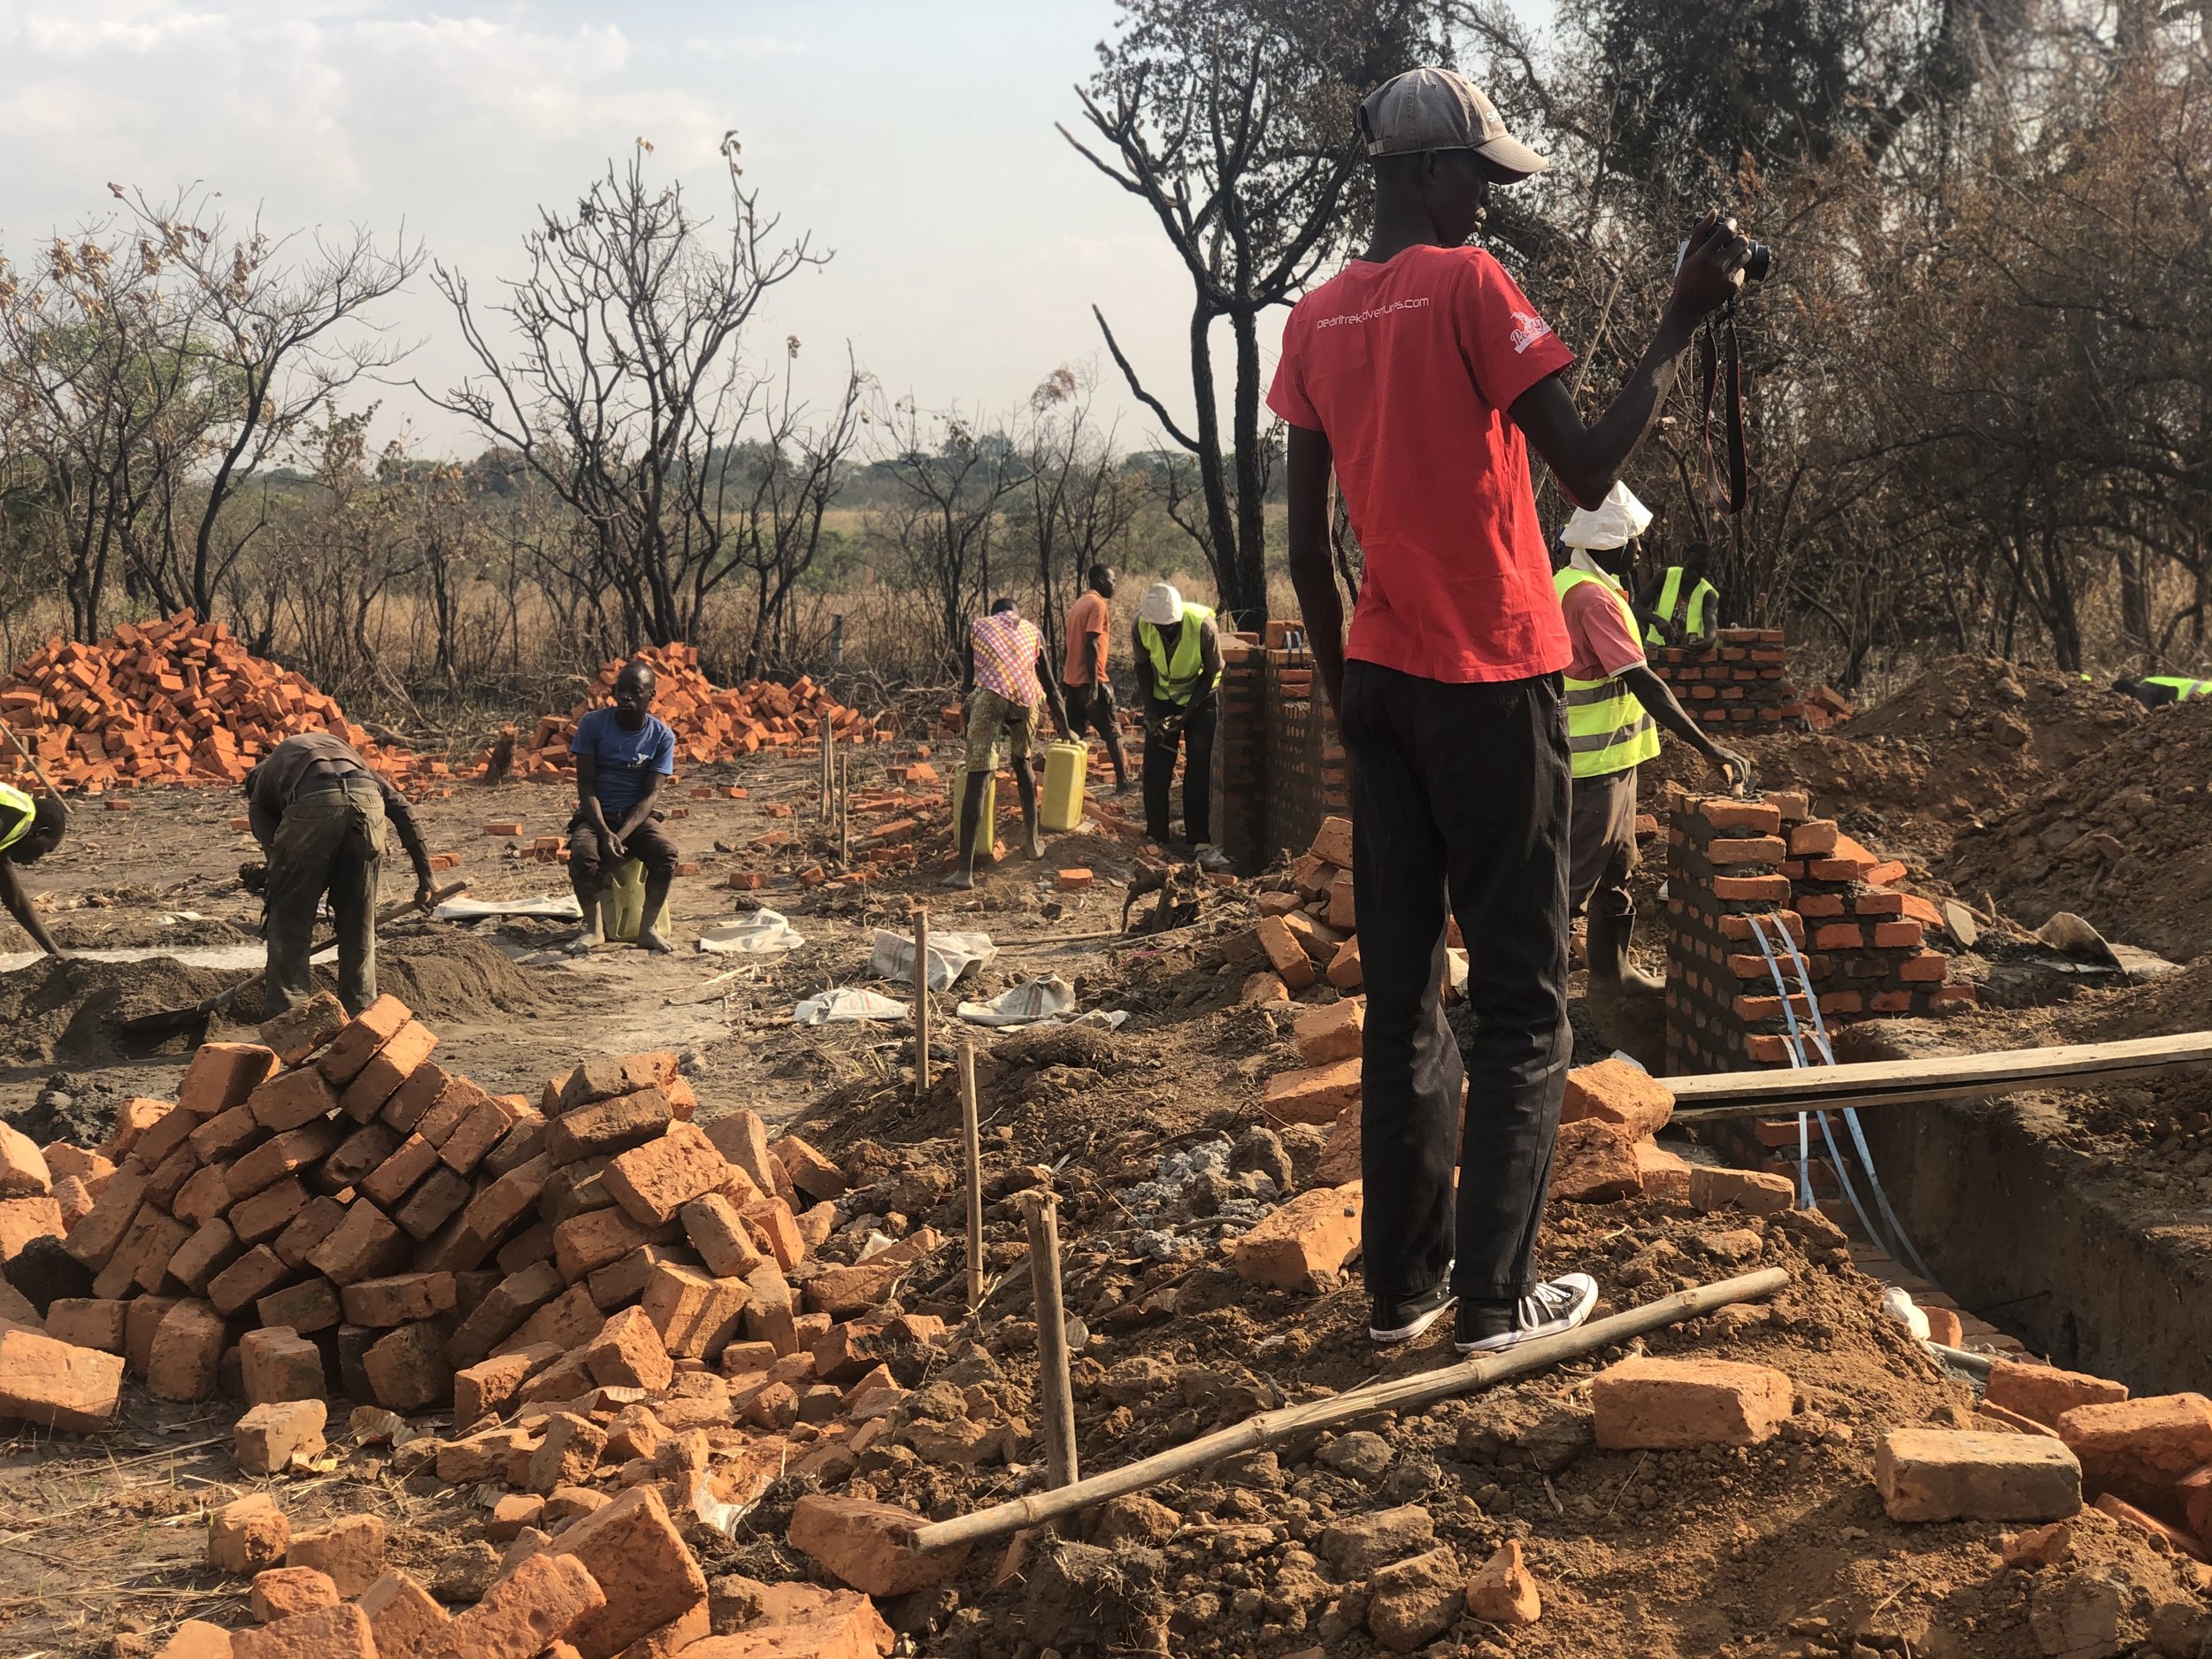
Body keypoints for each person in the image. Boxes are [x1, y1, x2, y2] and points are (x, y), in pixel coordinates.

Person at [1272, 65, 1752, 1355]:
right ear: (1427, 173)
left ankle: (1400, 1290)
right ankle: (1496, 1298)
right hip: (1490, 679)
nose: (1487, 204)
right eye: (1478, 180)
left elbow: (1310, 551)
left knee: (1405, 998)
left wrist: (1343, 686)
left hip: (1379, 681)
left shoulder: (1313, 320)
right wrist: (1678, 323)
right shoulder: (1470, 289)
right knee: (1529, 1000)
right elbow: (1588, 463)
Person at [1556, 486, 1748, 1012]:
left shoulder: (1588, 583)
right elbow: (1642, 682)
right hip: (1590, 767)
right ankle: (1533, 1002)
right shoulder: (1589, 596)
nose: (1641, 551)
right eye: (1634, 541)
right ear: (1610, 544)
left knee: (1618, 868)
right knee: (1570, 885)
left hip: (1614, 762)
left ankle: (1611, 977)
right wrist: (1710, 748)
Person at [246, 732, 435, 1016]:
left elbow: (282, 870)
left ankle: (291, 1016)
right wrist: (426, 879)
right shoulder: (345, 757)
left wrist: (269, 881)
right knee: (358, 916)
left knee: (289, 922)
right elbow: (403, 809)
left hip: (313, 803)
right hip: (368, 804)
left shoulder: (261, 796)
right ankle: (361, 1013)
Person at [947, 598, 1068, 890]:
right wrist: (1066, 728)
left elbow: (968, 682)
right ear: (1016, 613)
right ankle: (1033, 842)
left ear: (994, 614)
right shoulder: (1032, 631)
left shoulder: (978, 626)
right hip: (1028, 698)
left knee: (979, 775)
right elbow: (1050, 685)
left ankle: (965, 872)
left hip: (991, 695)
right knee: (1022, 761)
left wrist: (975, 715)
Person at [568, 659, 680, 954]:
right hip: (596, 815)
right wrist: (604, 832)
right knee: (583, 855)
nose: (626, 697)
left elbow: (650, 797)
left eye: (636, 691)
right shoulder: (593, 725)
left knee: (666, 854)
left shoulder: (661, 736)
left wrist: (623, 834)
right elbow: (586, 787)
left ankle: (647, 930)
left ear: (651, 696)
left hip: (636, 816)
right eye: (621, 690)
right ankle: (594, 931)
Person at [1132, 581, 1225, 866]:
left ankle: (1197, 838)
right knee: (1156, 766)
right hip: (1162, 700)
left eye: (1168, 627)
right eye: (1158, 627)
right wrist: (1149, 711)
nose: (1163, 631)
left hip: (1201, 698)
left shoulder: (1203, 626)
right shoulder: (1141, 625)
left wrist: (1186, 716)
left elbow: (1211, 671)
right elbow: (1142, 666)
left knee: (1198, 765)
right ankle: (1157, 835)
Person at [1061, 565, 1131, 793]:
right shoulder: (1097, 604)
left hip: (1072, 680)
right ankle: (1123, 783)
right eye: (1112, 580)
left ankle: (1067, 786)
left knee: (1074, 734)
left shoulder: (1078, 604)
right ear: (1101, 580)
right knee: (1112, 732)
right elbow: (1091, 643)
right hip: (1090, 680)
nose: (1116, 584)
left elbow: (1069, 646)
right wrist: (1095, 685)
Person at [0, 782, 67, 956]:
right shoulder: (13, 816)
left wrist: (55, 953)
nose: (35, 861)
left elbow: (15, 899)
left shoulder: (12, 825)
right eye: (46, 850)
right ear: (40, 832)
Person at [1638, 540, 1721, 650]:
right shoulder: (1665, 576)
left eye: (1700, 571)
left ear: (1707, 570)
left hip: (1688, 655)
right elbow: (1637, 606)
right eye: (1691, 567)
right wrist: (1656, 620)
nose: (1694, 574)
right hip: (1655, 649)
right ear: (1684, 559)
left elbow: (1711, 626)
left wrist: (1708, 642)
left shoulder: (1708, 593)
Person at [2115, 674, 2210, 709]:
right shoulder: (2151, 681)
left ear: (2125, 693)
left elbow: (2145, 717)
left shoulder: (2143, 690)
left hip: (2205, 698)